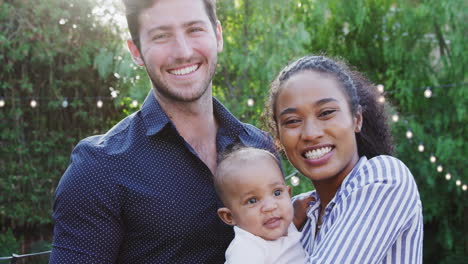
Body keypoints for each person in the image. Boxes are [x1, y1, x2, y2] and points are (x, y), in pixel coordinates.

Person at [49, 0, 275, 263]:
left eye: (194, 30)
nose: (183, 51)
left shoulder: (259, 146)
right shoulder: (98, 169)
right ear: (136, 51)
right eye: (161, 36)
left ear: (218, 36)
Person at [265, 55, 423, 263]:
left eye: (326, 113)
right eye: (292, 121)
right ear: (278, 138)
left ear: (356, 119)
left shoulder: (385, 178)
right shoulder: (297, 213)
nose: (310, 133)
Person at [214, 146, 307, 264]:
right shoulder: (246, 251)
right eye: (252, 201)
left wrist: (296, 218)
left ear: (288, 194)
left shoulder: (283, 224)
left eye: (277, 193)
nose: (270, 206)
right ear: (229, 216)